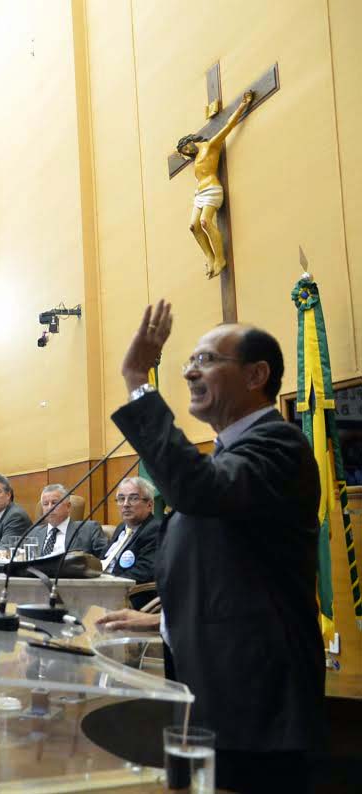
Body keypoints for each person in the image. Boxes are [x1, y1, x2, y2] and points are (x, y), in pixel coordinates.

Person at [95, 301, 323, 794]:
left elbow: (198, 492)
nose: (190, 372)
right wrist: (163, 620)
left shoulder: (279, 447)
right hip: (214, 690)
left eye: (207, 360)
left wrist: (138, 380)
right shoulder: (228, 457)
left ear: (257, 374)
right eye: (189, 361)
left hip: (258, 702)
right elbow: (228, 569)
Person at [101, 477, 161, 589]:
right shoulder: (121, 528)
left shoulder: (155, 529)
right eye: (121, 498)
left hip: (126, 594)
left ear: (149, 505)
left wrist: (106, 586)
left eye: (133, 498)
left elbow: (143, 572)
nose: (125, 504)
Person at [31, 484, 108, 557]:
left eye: (54, 503)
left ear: (68, 506)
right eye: (45, 504)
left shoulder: (89, 530)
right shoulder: (34, 533)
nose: (49, 508)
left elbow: (106, 560)